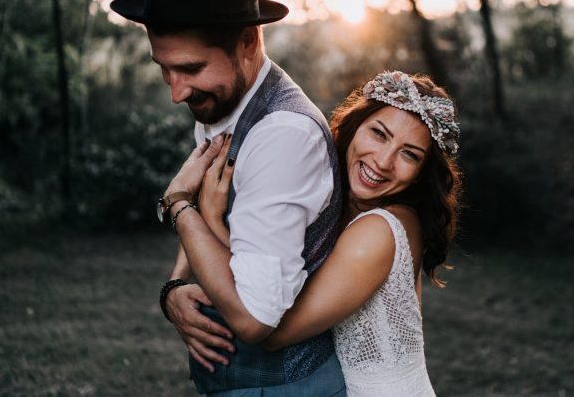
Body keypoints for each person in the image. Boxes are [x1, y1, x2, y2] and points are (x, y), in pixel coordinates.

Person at [110, 0, 346, 396]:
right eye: (164, 69)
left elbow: (254, 319)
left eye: (190, 68)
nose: (176, 93)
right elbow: (209, 218)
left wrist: (178, 206)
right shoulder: (223, 102)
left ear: (247, 43)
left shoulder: (282, 137)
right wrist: (176, 286)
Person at [169, 71, 462, 396]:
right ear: (355, 125)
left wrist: (210, 218)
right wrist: (176, 284)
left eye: (409, 154)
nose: (383, 161)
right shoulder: (337, 196)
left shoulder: (377, 233)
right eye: (379, 134)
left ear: (422, 173)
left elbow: (272, 330)